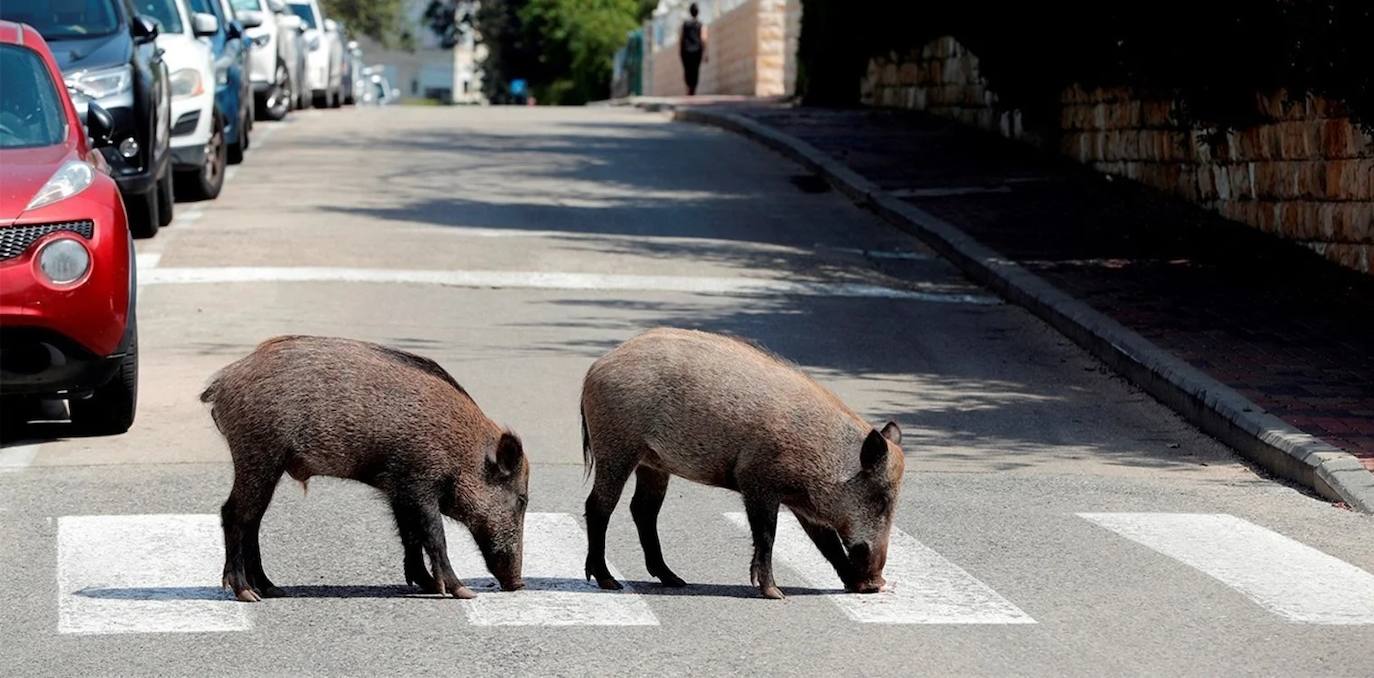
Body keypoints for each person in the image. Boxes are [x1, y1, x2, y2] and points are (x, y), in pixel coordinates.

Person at [679, 3, 707, 96]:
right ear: (698, 12)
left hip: (686, 50)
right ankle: (692, 89)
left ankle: (689, 87)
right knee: (695, 70)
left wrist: (680, 50)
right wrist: (705, 51)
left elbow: (681, 37)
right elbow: (703, 38)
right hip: (697, 50)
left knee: (687, 70)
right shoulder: (701, 24)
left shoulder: (685, 24)